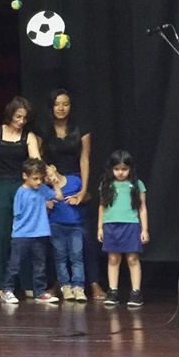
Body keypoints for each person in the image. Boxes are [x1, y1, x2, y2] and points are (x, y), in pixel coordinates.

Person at [38, 89, 105, 300]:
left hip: (76, 182)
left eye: (65, 104)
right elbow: (38, 158)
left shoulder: (80, 129)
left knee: (84, 236)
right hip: (53, 183)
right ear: (51, 106)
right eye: (57, 104)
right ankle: (58, 282)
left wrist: (84, 190)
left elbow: (85, 159)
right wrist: (47, 182)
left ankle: (93, 282)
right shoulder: (44, 130)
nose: (61, 108)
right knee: (55, 238)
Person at [0, 96, 41, 294]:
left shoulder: (28, 136)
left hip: (22, 189)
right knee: (1, 236)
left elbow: (36, 161)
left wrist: (48, 173)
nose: (21, 121)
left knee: (23, 235)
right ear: (10, 114)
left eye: (24, 118)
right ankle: (1, 285)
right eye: (18, 116)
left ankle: (26, 285)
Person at [0, 158, 63, 304]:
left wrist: (54, 183)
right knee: (15, 264)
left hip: (40, 233)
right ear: (25, 176)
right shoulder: (21, 192)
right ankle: (7, 290)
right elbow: (18, 214)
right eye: (35, 179)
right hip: (22, 235)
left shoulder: (43, 189)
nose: (38, 182)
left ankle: (39, 291)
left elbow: (58, 196)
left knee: (39, 265)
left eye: (41, 178)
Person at [97, 150, 149, 307]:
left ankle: (136, 292)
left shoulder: (137, 184)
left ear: (130, 169)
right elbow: (102, 207)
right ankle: (113, 291)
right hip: (111, 225)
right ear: (111, 168)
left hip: (131, 225)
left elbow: (142, 208)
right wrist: (100, 227)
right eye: (117, 169)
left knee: (132, 258)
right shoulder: (106, 185)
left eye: (124, 169)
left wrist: (144, 229)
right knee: (113, 258)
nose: (120, 172)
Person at [45, 164, 85, 301]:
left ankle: (78, 287)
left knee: (77, 256)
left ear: (53, 167)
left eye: (48, 172)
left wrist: (79, 197)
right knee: (60, 257)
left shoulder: (74, 180)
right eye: (44, 177)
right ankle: (65, 286)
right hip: (56, 225)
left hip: (75, 226)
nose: (48, 177)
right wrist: (46, 205)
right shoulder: (47, 189)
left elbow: (87, 196)